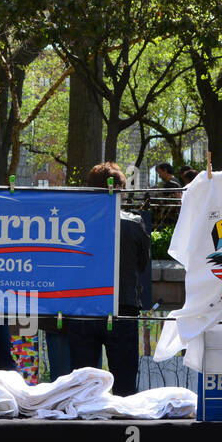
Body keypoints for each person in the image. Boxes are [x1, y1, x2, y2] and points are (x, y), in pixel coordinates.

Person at [67, 161, 152, 396]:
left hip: (83, 307)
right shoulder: (134, 224)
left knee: (83, 389)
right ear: (121, 191)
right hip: (122, 307)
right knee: (125, 387)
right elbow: (142, 265)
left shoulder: (74, 224)